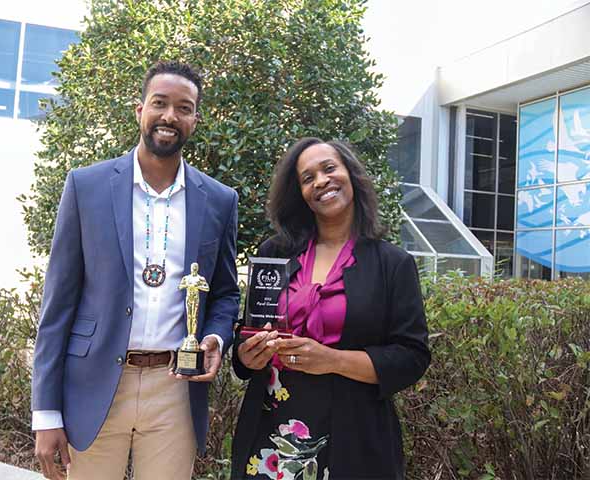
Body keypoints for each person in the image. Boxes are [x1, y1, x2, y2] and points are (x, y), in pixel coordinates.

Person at [32, 60, 240, 480]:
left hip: (175, 389)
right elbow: (58, 304)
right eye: (159, 103)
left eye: (184, 108)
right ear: (139, 110)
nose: (170, 116)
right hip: (94, 385)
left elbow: (225, 292)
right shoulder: (86, 187)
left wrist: (215, 336)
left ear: (195, 120)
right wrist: (45, 412)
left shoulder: (219, 200)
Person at [231, 138, 430, 479]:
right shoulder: (275, 253)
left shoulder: (392, 263)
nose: (321, 181)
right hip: (271, 435)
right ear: (300, 193)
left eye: (329, 168)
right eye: (307, 178)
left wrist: (332, 360)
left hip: (355, 437)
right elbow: (248, 331)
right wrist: (246, 355)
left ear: (351, 175)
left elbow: (411, 357)